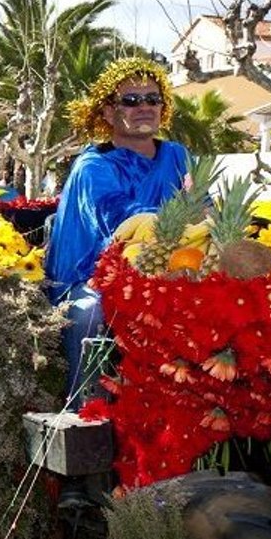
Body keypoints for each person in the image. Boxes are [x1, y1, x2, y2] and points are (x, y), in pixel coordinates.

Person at [44, 57, 191, 409]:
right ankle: (83, 410)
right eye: (131, 100)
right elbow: (117, 220)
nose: (144, 107)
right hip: (94, 275)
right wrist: (183, 226)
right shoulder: (92, 165)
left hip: (169, 266)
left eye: (153, 98)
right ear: (109, 112)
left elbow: (202, 206)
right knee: (90, 313)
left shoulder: (177, 155)